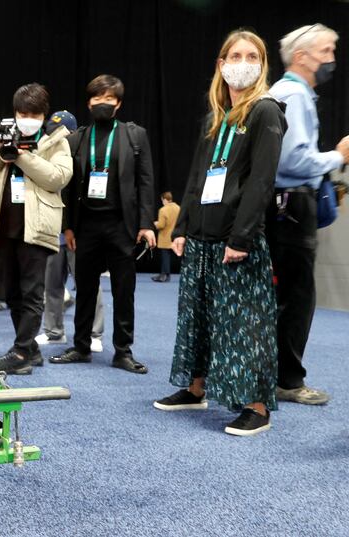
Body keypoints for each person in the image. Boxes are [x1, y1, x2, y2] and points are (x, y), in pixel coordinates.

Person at [154, 30, 286, 436]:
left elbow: (261, 182)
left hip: (236, 240)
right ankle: (195, 389)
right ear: (221, 64)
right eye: (235, 54)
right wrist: (182, 228)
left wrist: (241, 239)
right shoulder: (215, 119)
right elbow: (197, 178)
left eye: (252, 56)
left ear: (262, 66)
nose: (242, 61)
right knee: (197, 318)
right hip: (201, 239)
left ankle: (257, 407)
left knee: (245, 325)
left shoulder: (266, 111)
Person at [50, 75, 156, 374]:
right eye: (97, 99)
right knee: (85, 289)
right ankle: (81, 346)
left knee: (124, 290)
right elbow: (68, 186)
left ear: (118, 104)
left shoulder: (135, 136)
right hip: (86, 227)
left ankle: (123, 351)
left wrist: (146, 223)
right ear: (89, 102)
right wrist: (68, 226)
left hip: (122, 225)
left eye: (108, 99)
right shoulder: (78, 138)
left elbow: (146, 182)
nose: (102, 104)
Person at [267, 23, 349, 405]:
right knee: (297, 297)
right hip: (292, 206)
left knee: (288, 295)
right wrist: (339, 156)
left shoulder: (290, 93)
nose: (332, 59)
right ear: (301, 57)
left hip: (287, 206)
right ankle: (288, 380)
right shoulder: (293, 95)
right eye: (327, 51)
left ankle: (279, 374)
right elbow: (293, 159)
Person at [0, 82, 73, 375]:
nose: (27, 119)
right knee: (12, 292)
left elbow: (57, 178)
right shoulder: (1, 135)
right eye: (22, 113)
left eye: (33, 114)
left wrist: (22, 156)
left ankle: (20, 352)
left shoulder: (56, 140)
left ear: (43, 115)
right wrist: (1, 152)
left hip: (36, 227)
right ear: (14, 112)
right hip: (2, 226)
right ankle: (30, 350)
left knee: (31, 292)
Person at [35, 111, 107, 352]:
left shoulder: (83, 158)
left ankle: (94, 334)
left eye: (60, 132)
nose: (53, 137)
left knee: (88, 284)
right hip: (52, 231)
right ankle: (54, 332)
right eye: (51, 132)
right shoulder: (45, 156)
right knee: (52, 285)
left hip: (78, 232)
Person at [152, 191, 180, 282]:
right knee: (172, 256)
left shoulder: (163, 210)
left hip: (165, 237)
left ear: (164, 199)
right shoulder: (178, 208)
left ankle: (163, 275)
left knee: (165, 257)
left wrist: (155, 224)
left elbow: (161, 225)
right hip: (176, 236)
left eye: (162, 200)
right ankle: (167, 275)